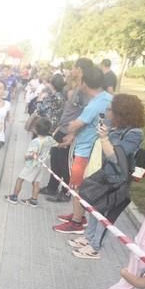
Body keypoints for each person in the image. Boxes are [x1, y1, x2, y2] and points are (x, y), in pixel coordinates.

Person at [68, 94, 145, 259]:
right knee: (95, 207)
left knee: (105, 215)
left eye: (111, 110)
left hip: (118, 180)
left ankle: (95, 247)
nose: (107, 112)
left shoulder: (134, 133)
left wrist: (104, 138)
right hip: (105, 174)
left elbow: (116, 158)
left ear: (121, 112)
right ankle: (89, 238)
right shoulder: (116, 128)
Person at [54, 66, 112, 234]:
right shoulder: (107, 98)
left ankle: (76, 222)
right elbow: (100, 123)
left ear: (85, 83)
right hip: (92, 148)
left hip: (85, 151)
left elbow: (76, 123)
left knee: (76, 186)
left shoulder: (95, 104)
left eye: (80, 79)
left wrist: (70, 127)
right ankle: (78, 214)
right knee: (78, 186)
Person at [42, 58, 94, 201]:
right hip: (62, 128)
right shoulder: (76, 86)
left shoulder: (85, 90)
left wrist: (73, 133)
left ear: (80, 69)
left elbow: (85, 113)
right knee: (55, 160)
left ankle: (65, 192)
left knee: (65, 164)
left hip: (70, 132)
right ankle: (52, 188)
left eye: (74, 67)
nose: (71, 70)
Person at [4, 117, 57, 207]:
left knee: (20, 179)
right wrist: (64, 145)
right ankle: (33, 200)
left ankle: (14, 197)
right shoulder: (49, 139)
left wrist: (27, 156)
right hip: (40, 166)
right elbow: (57, 144)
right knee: (36, 182)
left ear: (35, 130)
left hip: (31, 165)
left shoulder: (35, 141)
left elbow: (30, 156)